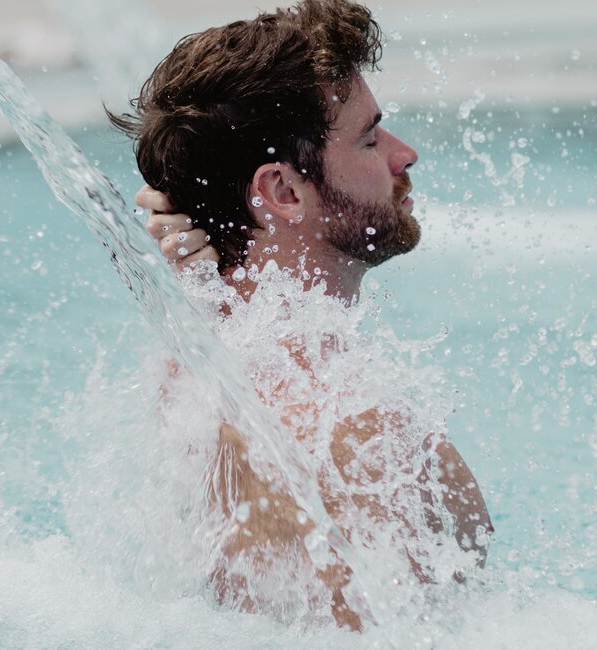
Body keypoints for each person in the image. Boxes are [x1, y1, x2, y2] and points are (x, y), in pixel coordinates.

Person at [110, 0, 490, 631]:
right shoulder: (339, 430)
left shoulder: (202, 365)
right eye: (369, 138)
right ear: (283, 192)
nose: (405, 155)